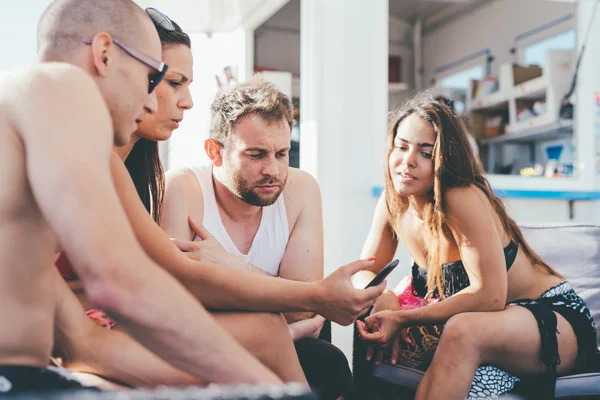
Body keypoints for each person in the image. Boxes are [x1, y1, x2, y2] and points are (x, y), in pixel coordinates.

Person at [0, 0, 283, 394]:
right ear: (103, 54)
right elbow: (120, 282)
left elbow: (81, 337)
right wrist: (272, 389)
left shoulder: (28, 148)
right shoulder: (60, 85)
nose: (151, 100)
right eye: (152, 76)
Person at [355, 92, 600, 399]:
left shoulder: (460, 196)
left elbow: (490, 296)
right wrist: (386, 300)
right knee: (367, 324)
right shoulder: (393, 202)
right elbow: (365, 272)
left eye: (426, 153)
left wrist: (403, 318)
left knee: (462, 331)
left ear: (445, 157)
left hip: (551, 319)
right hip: (494, 327)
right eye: (401, 147)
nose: (408, 161)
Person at [161, 77, 354, 399]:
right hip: (206, 349)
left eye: (281, 153)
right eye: (256, 154)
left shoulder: (300, 188)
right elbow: (181, 312)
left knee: (327, 362)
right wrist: (288, 311)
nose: (274, 170)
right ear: (215, 151)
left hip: (276, 343)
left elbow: (302, 310)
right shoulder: (183, 188)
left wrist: (229, 267)